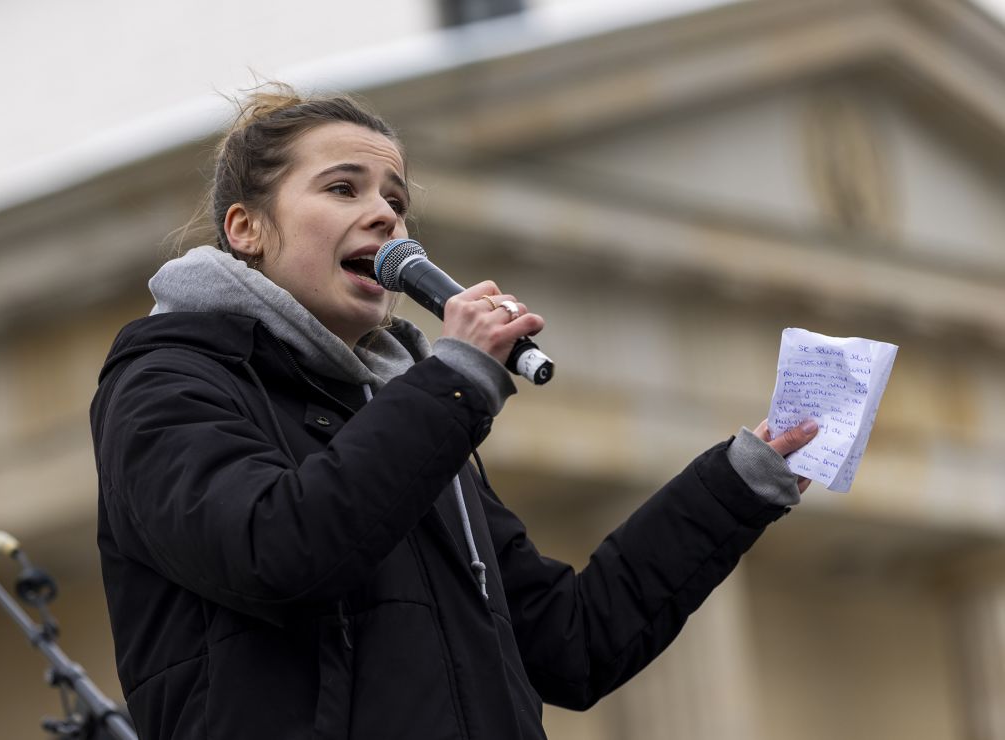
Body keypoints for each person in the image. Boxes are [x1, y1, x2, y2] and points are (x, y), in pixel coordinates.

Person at [90, 85, 817, 740]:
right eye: (343, 188)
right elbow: (276, 550)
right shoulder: (167, 381)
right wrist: (453, 385)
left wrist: (736, 485)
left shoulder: (411, 418)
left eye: (396, 201)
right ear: (247, 229)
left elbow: (572, 644)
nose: (384, 214)